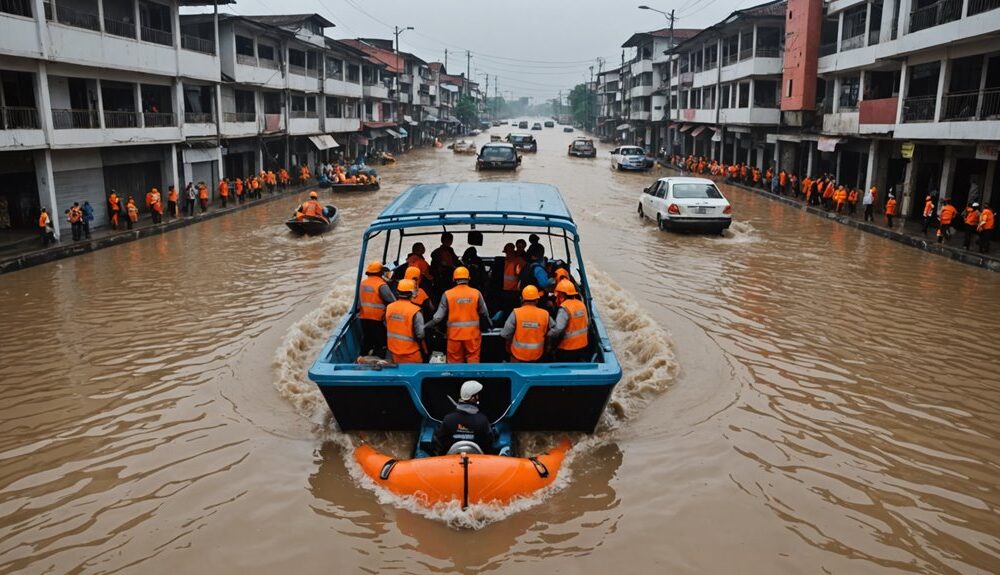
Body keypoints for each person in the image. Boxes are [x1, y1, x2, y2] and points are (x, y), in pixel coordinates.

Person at [425, 266, 490, 364]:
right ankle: (471, 378)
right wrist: (490, 324)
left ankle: (455, 379)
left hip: (454, 336)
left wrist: (425, 326)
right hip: (472, 335)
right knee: (473, 359)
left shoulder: (448, 294)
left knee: (454, 363)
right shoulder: (476, 293)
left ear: (454, 279)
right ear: (468, 278)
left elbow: (438, 317)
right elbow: (484, 312)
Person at [432, 380, 494, 455]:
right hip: (478, 460)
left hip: (450, 460)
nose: (478, 397)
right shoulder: (483, 420)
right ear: (473, 398)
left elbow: (440, 441)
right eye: (477, 395)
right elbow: (489, 441)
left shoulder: (448, 419)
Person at [501, 285, 553, 363]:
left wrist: (508, 349)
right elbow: (555, 331)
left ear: (522, 299)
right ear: (537, 300)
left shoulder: (516, 313)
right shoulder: (545, 314)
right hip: (538, 357)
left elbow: (505, 334)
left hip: (517, 356)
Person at [358, 261, 395, 356]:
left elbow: (359, 302)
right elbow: (392, 302)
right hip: (378, 319)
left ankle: (362, 357)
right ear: (380, 273)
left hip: (364, 317)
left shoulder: (362, 283)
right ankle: (379, 359)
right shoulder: (381, 285)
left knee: (367, 339)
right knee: (381, 343)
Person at [384, 279, 426, 364]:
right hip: (411, 355)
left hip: (393, 353)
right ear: (412, 293)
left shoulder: (389, 307)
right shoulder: (415, 311)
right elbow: (420, 334)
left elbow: (386, 323)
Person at [550, 279, 590, 362]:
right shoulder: (581, 304)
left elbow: (558, 329)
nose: (557, 299)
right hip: (583, 346)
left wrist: (547, 335)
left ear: (562, 296)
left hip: (568, 349)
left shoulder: (564, 308)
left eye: (558, 296)